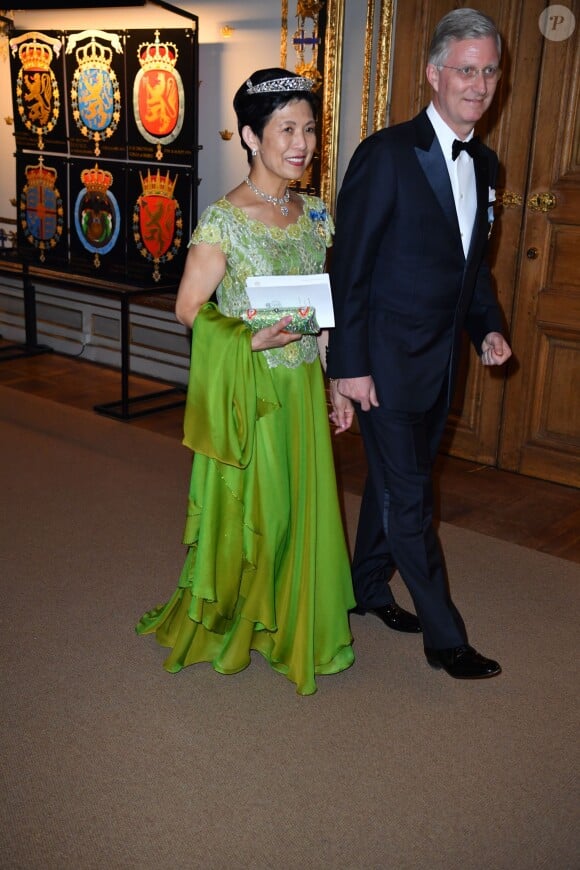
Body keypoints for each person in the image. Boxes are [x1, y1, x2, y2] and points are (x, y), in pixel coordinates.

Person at [136, 68, 355, 696]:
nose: (303, 143)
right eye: (287, 129)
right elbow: (187, 308)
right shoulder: (223, 221)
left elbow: (319, 310)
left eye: (309, 129)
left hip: (301, 393)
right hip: (251, 395)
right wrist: (246, 340)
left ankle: (292, 621)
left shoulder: (315, 214)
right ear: (253, 137)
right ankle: (244, 619)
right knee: (260, 516)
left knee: (301, 512)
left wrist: (334, 381)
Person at [326, 8, 512, 679]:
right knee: (411, 501)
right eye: (467, 70)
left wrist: (487, 327)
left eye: (490, 71)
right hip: (381, 360)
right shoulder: (387, 154)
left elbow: (473, 265)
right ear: (435, 74)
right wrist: (347, 366)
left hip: (441, 363)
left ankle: (367, 587)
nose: (480, 84)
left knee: (393, 480)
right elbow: (348, 267)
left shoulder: (486, 163)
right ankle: (446, 638)